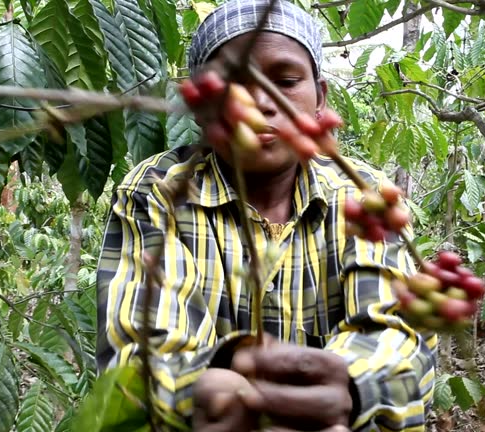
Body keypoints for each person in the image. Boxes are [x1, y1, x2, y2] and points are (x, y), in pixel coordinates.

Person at [94, 0, 438, 430]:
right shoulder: (158, 191)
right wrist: (199, 390)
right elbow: (141, 347)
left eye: (286, 81)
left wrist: (352, 389)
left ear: (320, 100)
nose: (259, 102)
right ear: (200, 109)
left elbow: (392, 332)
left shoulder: (364, 195)